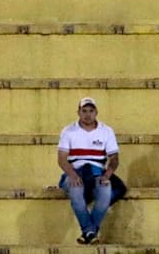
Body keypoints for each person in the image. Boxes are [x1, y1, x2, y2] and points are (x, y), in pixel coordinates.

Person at [57, 97, 125, 245]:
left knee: (106, 192)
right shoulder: (68, 131)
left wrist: (107, 175)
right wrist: (73, 175)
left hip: (97, 172)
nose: (88, 114)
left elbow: (114, 158)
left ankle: (88, 232)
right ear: (78, 112)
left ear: (96, 112)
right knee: (76, 189)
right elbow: (62, 159)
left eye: (91, 111)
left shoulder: (106, 131)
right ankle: (91, 230)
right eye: (84, 111)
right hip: (75, 170)